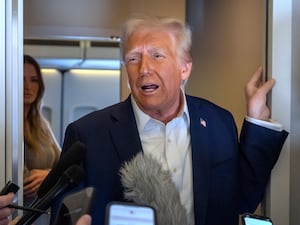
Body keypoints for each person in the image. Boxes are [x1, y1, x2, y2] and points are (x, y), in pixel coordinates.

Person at [58, 17, 288, 225]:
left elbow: (243, 199)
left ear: (184, 68)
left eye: (157, 56)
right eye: (133, 58)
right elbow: (63, 213)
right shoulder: (88, 134)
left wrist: (258, 122)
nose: (144, 68)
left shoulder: (218, 122)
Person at [23, 55, 61, 224]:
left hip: (45, 211)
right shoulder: (7, 125)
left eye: (33, 80)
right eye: (21, 80)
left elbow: (65, 163)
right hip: (24, 212)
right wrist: (54, 176)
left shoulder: (42, 124)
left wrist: (49, 174)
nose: (27, 87)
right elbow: (26, 182)